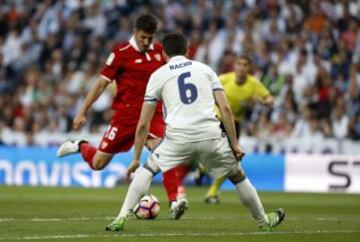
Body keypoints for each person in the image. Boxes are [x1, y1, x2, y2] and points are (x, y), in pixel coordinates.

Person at [105, 32, 285, 232]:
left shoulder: (158, 75)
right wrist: (234, 144)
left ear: (164, 53)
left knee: (148, 169)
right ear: (188, 50)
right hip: (210, 134)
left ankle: (121, 218)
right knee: (237, 175)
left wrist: (136, 157)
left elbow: (143, 124)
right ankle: (263, 220)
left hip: (178, 137)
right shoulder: (206, 70)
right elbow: (225, 109)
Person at [57, 14, 187, 217]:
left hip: (152, 115)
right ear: (135, 32)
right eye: (143, 37)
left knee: (165, 152)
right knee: (98, 163)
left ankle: (174, 202)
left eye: (150, 38)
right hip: (125, 117)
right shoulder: (121, 53)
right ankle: (81, 145)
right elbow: (101, 84)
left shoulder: (161, 52)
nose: (146, 42)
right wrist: (82, 111)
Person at [203, 55, 274, 204]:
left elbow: (270, 99)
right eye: (239, 64)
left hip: (235, 123)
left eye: (245, 65)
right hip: (217, 117)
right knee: (220, 153)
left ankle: (212, 190)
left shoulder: (253, 84)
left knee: (231, 159)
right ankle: (202, 169)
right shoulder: (223, 79)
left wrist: (261, 101)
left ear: (249, 68)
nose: (241, 67)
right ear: (235, 66)